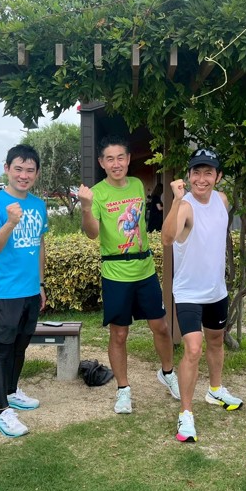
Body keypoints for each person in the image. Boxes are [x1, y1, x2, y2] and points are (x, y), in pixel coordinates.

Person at [78, 136, 180, 414]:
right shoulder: (96, 193)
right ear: (101, 163)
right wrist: (86, 207)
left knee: (161, 326)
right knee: (119, 334)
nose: (116, 164)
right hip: (115, 273)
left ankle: (168, 373)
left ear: (128, 159)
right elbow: (92, 233)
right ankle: (123, 390)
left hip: (145, 270)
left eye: (120, 157)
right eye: (109, 159)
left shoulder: (136, 184)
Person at [161, 149, 243, 443]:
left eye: (208, 173)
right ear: (189, 175)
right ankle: (186, 413)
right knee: (193, 349)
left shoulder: (222, 200)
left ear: (218, 176)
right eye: (196, 172)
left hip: (216, 290)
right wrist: (175, 201)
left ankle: (215, 390)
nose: (201, 179)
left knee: (216, 341)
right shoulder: (185, 206)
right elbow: (167, 238)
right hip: (188, 293)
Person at [0, 144, 48, 438]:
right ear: (7, 169)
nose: (23, 175)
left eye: (30, 170)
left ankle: (11, 391)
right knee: (1, 351)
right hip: (3, 293)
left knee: (20, 347)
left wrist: (41, 284)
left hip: (30, 291)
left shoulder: (39, 205)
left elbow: (40, 245)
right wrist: (10, 223)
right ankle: (1, 411)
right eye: (18, 169)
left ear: (36, 173)